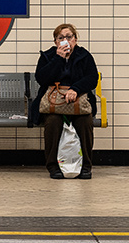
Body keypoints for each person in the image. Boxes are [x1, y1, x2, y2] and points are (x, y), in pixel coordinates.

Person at [29, 23, 99, 179]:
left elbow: (92, 78)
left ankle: (85, 166)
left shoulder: (84, 56)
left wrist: (75, 89)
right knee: (53, 122)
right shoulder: (48, 56)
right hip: (54, 104)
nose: (65, 40)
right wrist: (58, 59)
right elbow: (42, 78)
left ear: (75, 39)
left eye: (69, 37)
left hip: (77, 102)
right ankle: (53, 166)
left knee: (85, 122)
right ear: (55, 42)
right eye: (61, 38)